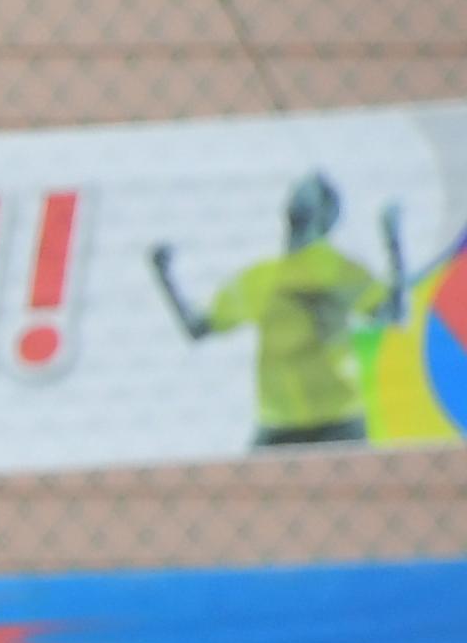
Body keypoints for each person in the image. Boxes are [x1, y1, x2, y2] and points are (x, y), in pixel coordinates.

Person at [151, 173, 407, 449]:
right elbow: (197, 328)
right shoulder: (265, 278)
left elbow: (391, 314)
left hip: (335, 418)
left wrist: (393, 245)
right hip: (286, 422)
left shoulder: (337, 271)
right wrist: (165, 277)